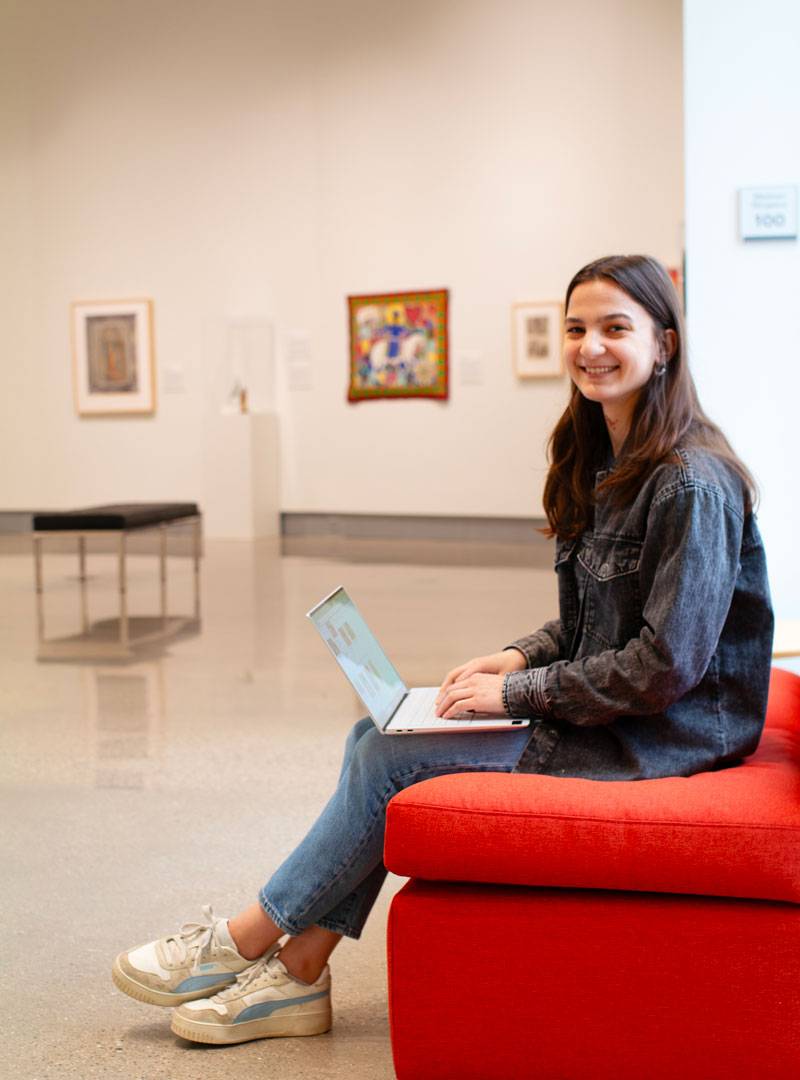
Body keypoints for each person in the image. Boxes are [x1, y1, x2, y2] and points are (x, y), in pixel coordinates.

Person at [112, 254, 773, 1047]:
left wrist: (519, 698)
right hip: (626, 709)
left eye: (615, 328)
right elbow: (603, 620)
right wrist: (519, 657)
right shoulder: (604, 459)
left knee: (395, 760)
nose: (591, 346)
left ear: (663, 344)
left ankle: (248, 938)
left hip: (665, 733)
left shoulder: (691, 483)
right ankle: (298, 975)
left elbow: (665, 666)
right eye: (576, 329)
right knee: (375, 735)